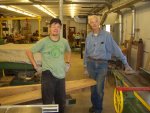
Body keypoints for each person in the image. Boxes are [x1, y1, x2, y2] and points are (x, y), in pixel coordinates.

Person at [84, 15, 134, 113]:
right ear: (89, 24)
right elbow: (86, 52)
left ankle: (98, 110)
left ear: (99, 23)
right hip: (90, 64)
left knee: (99, 89)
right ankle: (94, 107)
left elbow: (116, 49)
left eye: (96, 21)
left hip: (102, 65)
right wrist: (85, 66)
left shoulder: (107, 36)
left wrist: (126, 63)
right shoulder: (88, 36)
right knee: (93, 88)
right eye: (92, 22)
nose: (94, 23)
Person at [26, 18, 71, 113]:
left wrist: (67, 62)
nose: (56, 28)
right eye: (53, 26)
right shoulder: (43, 41)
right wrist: (35, 66)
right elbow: (29, 51)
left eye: (58, 26)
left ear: (60, 29)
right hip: (48, 75)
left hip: (61, 75)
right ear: (50, 28)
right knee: (47, 102)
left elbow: (69, 51)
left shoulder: (64, 41)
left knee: (61, 102)